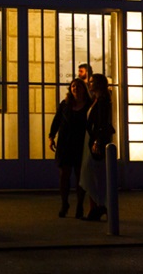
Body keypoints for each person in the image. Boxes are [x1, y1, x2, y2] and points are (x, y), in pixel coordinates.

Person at [49, 78, 90, 218]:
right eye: (73, 86)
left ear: (84, 89)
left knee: (80, 176)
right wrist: (51, 136)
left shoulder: (89, 105)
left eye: (78, 86)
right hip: (65, 143)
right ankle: (64, 203)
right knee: (64, 175)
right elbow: (57, 120)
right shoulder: (65, 104)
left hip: (81, 144)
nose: (75, 88)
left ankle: (80, 205)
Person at [79, 73, 114, 222]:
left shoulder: (103, 101)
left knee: (93, 172)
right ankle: (96, 206)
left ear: (99, 84)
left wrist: (98, 141)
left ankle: (99, 205)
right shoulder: (96, 100)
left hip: (96, 140)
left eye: (92, 82)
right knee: (91, 173)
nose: (89, 84)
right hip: (91, 138)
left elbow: (102, 123)